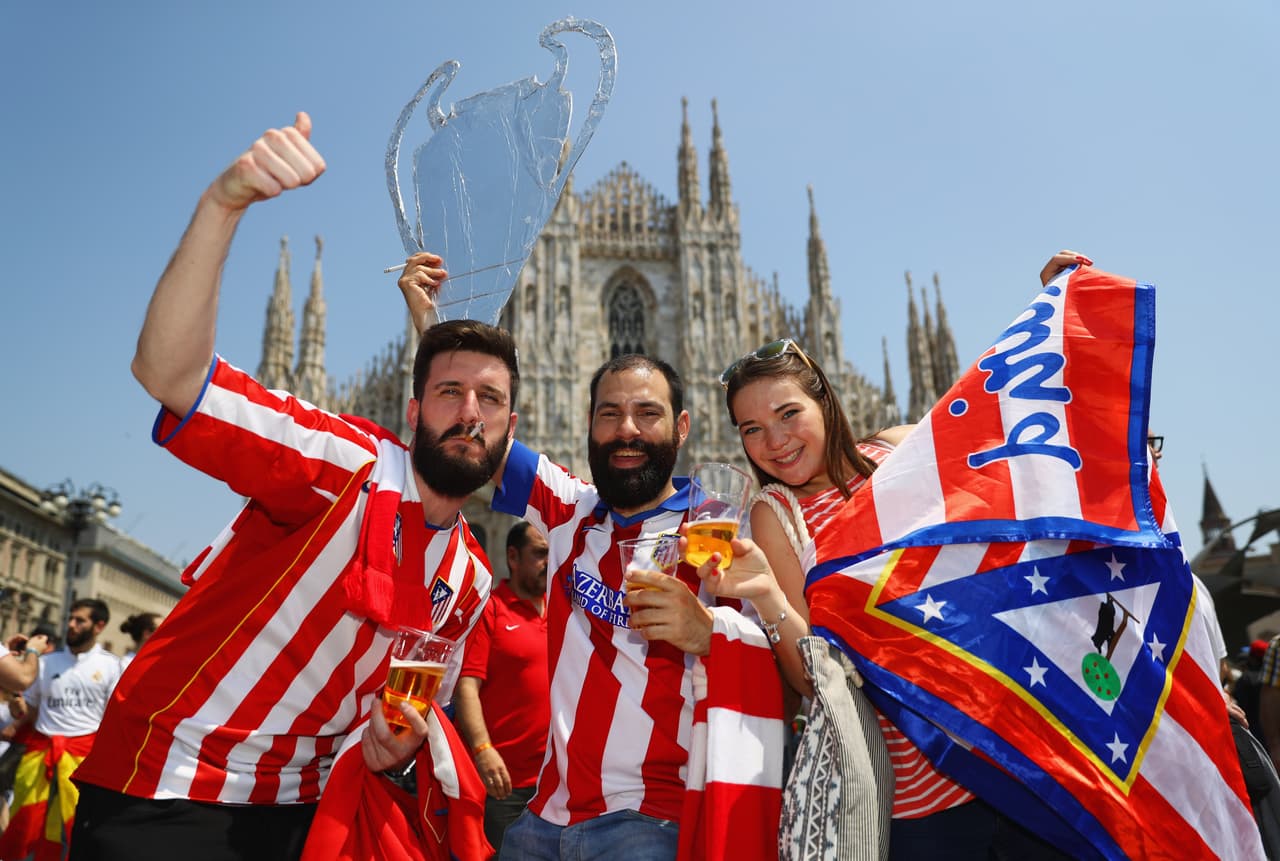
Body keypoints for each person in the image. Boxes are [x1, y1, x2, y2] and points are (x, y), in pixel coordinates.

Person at [68, 113, 511, 861]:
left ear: (511, 428)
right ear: (411, 410)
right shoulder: (341, 461)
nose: (469, 413)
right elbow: (172, 377)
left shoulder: (468, 580)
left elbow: (399, 718)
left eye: (491, 401)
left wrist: (390, 745)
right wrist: (224, 203)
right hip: (175, 789)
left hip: (305, 809)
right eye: (448, 393)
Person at [704, 254, 1096, 859]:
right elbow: (811, 677)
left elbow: (1003, 428)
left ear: (823, 403)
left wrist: (1052, 311)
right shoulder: (774, 516)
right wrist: (767, 596)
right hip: (917, 787)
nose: (775, 441)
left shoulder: (896, 451)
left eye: (788, 414)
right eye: (750, 429)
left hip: (1008, 749)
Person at [401, 259, 781, 860]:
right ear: (589, 426)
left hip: (652, 821)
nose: (627, 430)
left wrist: (709, 632)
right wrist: (433, 332)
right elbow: (477, 435)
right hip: (541, 820)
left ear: (682, 428)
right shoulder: (568, 509)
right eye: (610, 414)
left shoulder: (717, 530)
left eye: (647, 414)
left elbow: (789, 664)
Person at [454, 521, 551, 856]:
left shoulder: (564, 610)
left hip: (555, 783)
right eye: (539, 554)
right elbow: (466, 685)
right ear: (513, 556)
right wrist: (483, 750)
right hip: (502, 784)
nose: (547, 563)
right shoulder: (491, 610)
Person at [0, 599, 122, 860]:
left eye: (80, 621)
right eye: (71, 618)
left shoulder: (111, 666)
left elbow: (115, 718)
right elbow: (28, 711)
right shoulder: (46, 663)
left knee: (72, 827)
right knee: (23, 824)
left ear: (99, 626)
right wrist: (16, 707)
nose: (71, 625)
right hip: (39, 756)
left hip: (82, 759)